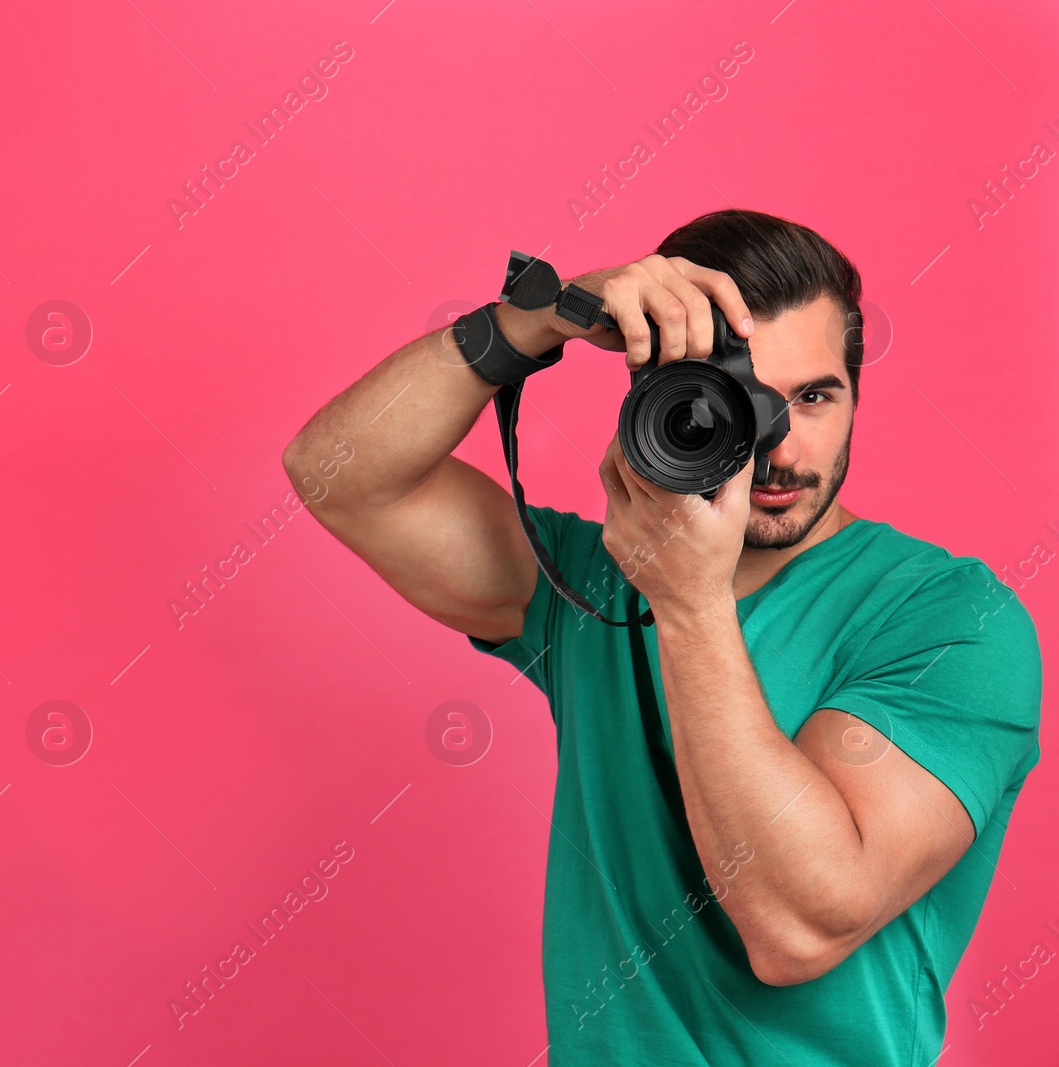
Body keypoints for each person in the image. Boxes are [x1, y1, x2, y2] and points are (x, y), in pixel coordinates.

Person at [281, 209, 1043, 1065]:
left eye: (814, 396)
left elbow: (797, 927)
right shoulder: (591, 578)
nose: (779, 444)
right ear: (667, 404)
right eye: (744, 399)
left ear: (857, 396)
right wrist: (532, 320)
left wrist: (689, 602)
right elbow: (338, 474)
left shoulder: (951, 622)